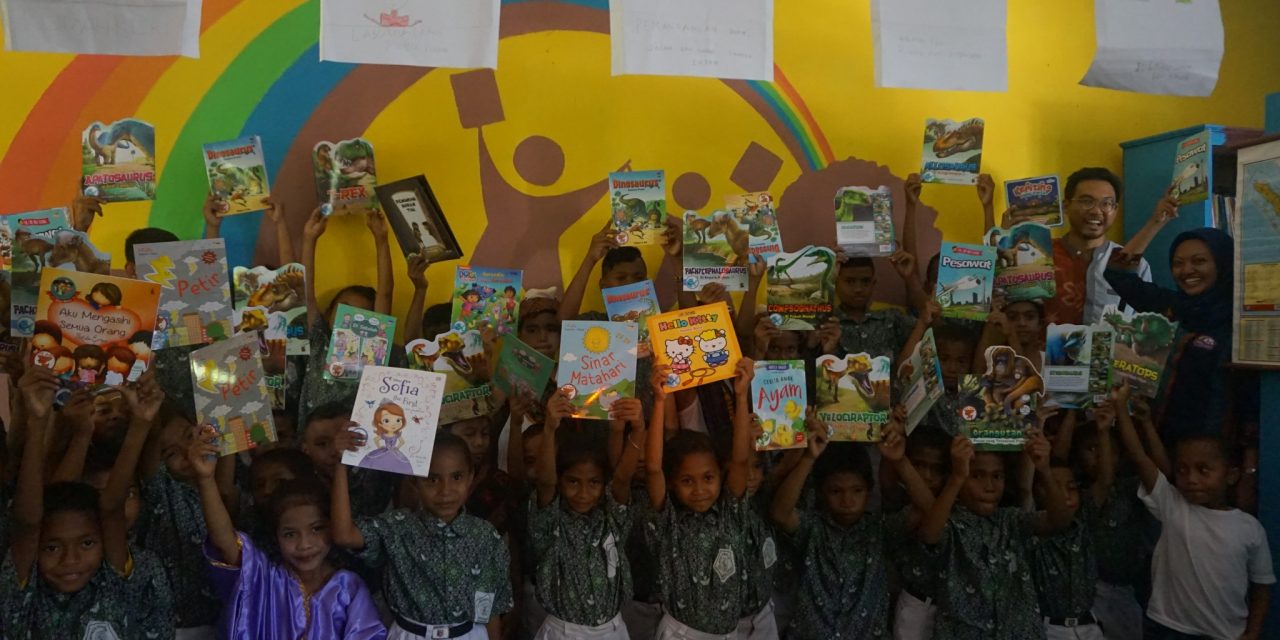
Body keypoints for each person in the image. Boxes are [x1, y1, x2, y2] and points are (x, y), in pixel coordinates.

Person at [1, 366, 174, 638]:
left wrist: (141, 424)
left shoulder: (112, 579)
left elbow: (111, 507)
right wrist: (37, 421)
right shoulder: (24, 589)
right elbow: (27, 521)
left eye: (87, 543)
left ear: (105, 539)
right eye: (51, 547)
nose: (71, 560)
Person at [188, 425, 386, 639]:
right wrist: (206, 480)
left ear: (333, 526)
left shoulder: (349, 588)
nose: (304, 544)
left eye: (316, 529)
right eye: (290, 534)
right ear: (276, 535)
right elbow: (225, 540)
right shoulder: (265, 579)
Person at [1115, 392, 1273, 639]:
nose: (1191, 479)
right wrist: (1121, 408)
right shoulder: (1173, 506)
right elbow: (1139, 456)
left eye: (1203, 470)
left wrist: (1251, 634)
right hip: (1168, 629)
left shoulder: (1249, 528)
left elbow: (1262, 586)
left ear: (1230, 476)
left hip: (1226, 634)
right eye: (1182, 470)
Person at [332, 430, 513, 639]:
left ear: (471, 476)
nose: (446, 491)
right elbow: (344, 535)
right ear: (414, 480)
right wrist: (340, 465)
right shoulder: (397, 527)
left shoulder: (485, 536)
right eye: (432, 479)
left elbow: (488, 608)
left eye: (456, 477)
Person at [770, 409, 934, 639]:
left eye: (857, 491)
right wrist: (808, 458)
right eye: (836, 491)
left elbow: (928, 512)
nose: (847, 501)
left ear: (869, 492)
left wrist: (900, 461)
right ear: (821, 493)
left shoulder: (879, 530)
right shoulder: (813, 527)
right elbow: (780, 514)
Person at [918, 431, 1073, 639]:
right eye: (977, 476)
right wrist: (957, 477)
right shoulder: (950, 522)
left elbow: (1060, 520)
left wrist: (1044, 469)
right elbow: (929, 535)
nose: (989, 487)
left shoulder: (1011, 520)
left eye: (997, 476)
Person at [644, 359, 755, 639]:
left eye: (708, 478)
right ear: (672, 484)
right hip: (681, 633)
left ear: (721, 475)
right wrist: (659, 401)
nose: (699, 489)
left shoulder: (731, 511)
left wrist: (741, 396)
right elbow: (653, 468)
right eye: (686, 481)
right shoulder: (667, 519)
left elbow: (741, 459)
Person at [525, 391, 645, 639]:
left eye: (593, 482)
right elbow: (545, 483)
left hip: (612, 630)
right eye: (572, 481)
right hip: (562, 631)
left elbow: (623, 477)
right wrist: (549, 429)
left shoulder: (612, 518)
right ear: (560, 480)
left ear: (604, 485)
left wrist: (639, 428)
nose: (583, 492)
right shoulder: (551, 519)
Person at [1044, 168, 1152, 325]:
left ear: (1115, 210)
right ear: (1065, 206)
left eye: (1107, 203)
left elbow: (1144, 329)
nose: (1096, 211)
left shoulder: (1132, 265)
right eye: (1086, 201)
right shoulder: (1041, 255)